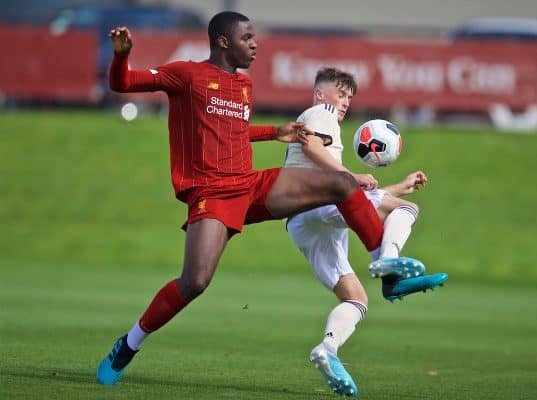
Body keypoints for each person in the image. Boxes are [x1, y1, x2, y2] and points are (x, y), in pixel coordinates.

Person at [96, 11, 413, 386]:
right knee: (195, 282)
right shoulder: (186, 74)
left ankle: (386, 267)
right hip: (212, 193)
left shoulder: (243, 87)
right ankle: (129, 344)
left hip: (250, 184)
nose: (255, 44)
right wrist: (121, 55)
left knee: (342, 184)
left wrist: (273, 132)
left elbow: (231, 132)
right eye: (247, 38)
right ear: (223, 41)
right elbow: (123, 83)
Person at [284, 67, 448, 396]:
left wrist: (396, 187)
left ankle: (327, 350)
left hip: (302, 221)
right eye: (340, 93)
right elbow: (313, 150)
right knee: (408, 211)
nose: (344, 102)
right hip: (320, 199)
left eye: (349, 97)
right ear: (320, 94)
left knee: (356, 299)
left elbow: (357, 205)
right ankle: (389, 265)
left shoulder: (327, 123)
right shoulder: (321, 111)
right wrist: (350, 176)